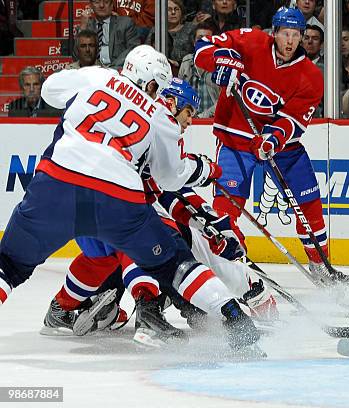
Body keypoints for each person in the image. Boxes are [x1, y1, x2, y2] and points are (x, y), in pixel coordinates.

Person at [0, 45, 260, 351]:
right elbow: (170, 177)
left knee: (9, 265)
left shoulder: (98, 76)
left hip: (58, 182)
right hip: (118, 196)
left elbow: (49, 91)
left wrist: (81, 79)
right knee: (173, 262)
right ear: (151, 84)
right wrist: (203, 169)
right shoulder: (157, 114)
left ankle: (118, 305)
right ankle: (235, 318)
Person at [193, 8, 330, 284]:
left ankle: (322, 269)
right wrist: (219, 60)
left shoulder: (311, 76)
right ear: (274, 33)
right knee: (225, 209)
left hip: (282, 148)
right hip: (236, 138)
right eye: (285, 34)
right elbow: (201, 49)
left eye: (296, 35)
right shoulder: (250, 41)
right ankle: (233, 267)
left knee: (309, 208)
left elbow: (293, 119)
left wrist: (272, 139)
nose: (290, 41)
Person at [178, 20, 221, 118]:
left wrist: (201, 117)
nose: (203, 43)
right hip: (188, 120)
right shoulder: (186, 61)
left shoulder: (221, 64)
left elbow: (223, 101)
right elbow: (179, 93)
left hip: (213, 121)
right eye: (199, 39)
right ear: (194, 42)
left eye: (207, 39)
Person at [81, 0, 140, 70]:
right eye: (97, 2)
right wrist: (83, 27)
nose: (101, 5)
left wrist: (111, 69)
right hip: (93, 71)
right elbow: (76, 56)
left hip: (118, 71)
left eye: (106, 2)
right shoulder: (87, 26)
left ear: (112, 5)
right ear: (90, 6)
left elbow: (133, 49)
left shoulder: (125, 23)